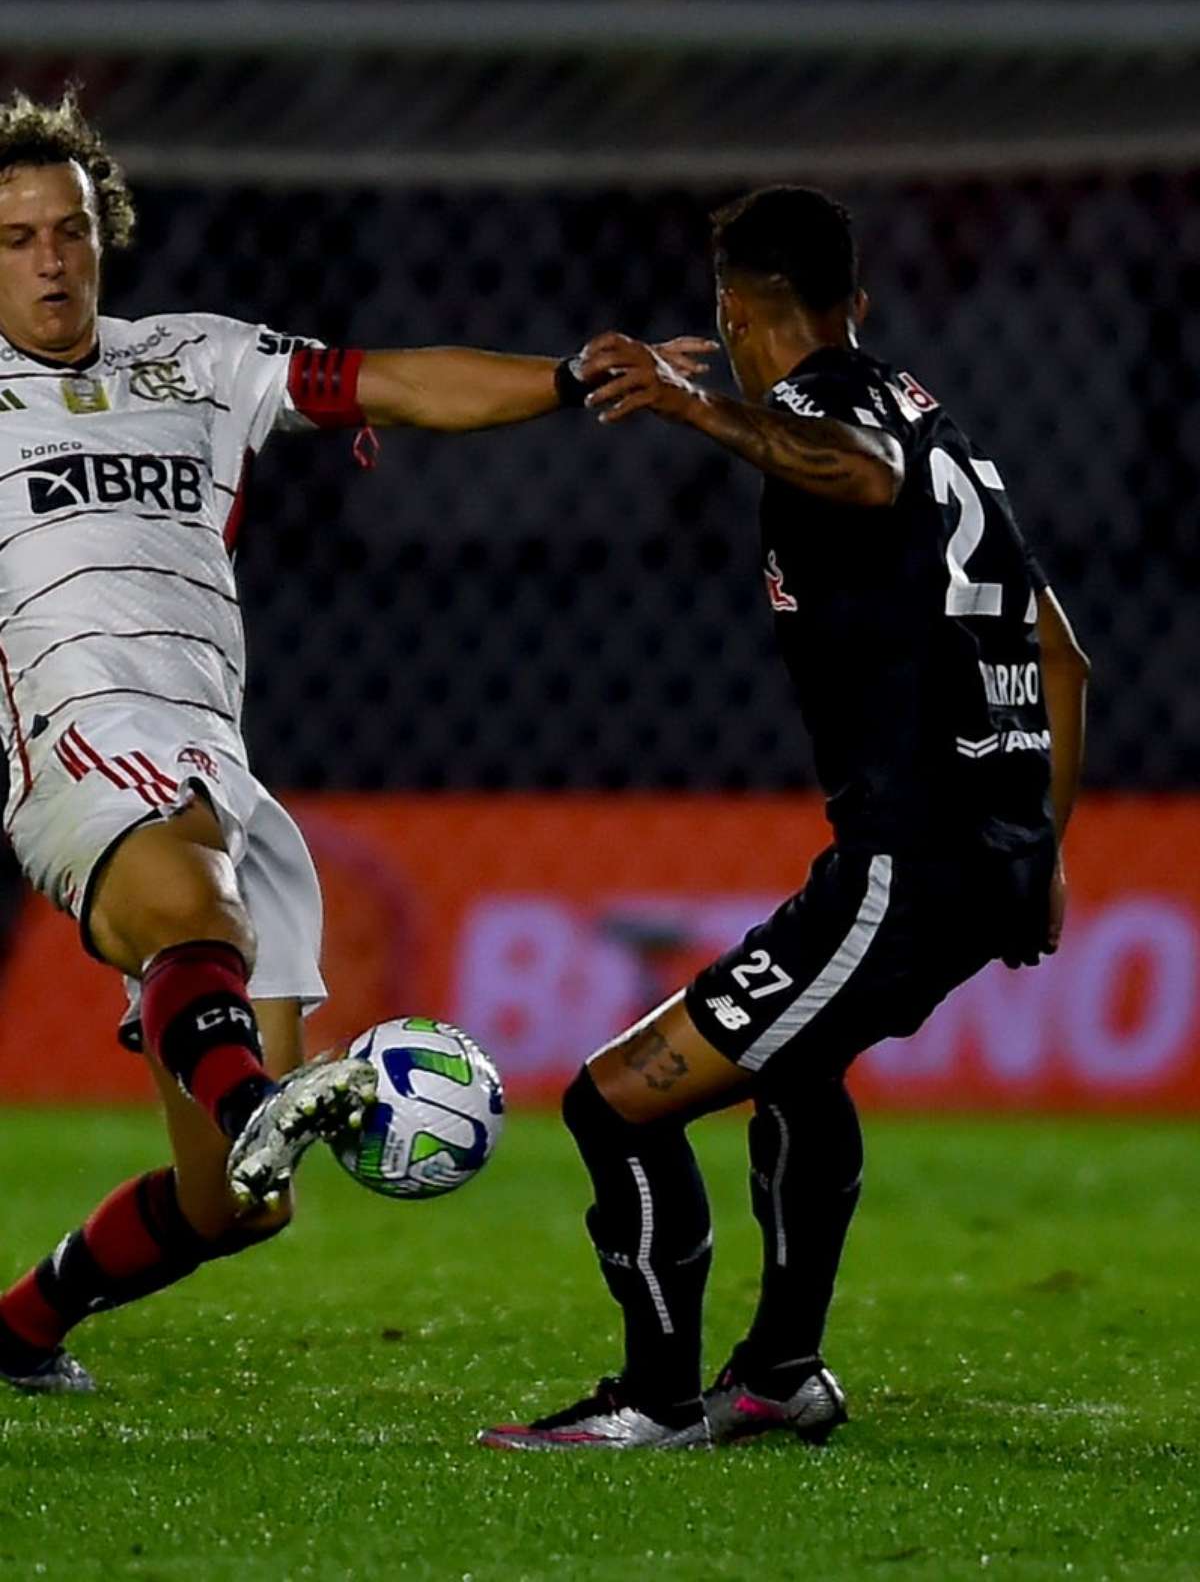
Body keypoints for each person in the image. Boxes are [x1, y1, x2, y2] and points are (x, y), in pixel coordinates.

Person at [0, 88, 710, 1395]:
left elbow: (394, 380)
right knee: (188, 903)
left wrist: (569, 378)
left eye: (71, 230)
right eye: (17, 237)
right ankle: (253, 1099)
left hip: (219, 764)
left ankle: (16, 1330)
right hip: (81, 741)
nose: (51, 259)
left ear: (105, 236)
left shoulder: (197, 361)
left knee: (236, 1207)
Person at [480, 185, 1089, 1451]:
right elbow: (1065, 656)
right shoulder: (941, 426)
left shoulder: (827, 412)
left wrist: (701, 406)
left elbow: (852, 475)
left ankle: (652, 1401)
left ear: (738, 311)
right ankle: (780, 1376)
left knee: (614, 1104)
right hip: (978, 850)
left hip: (905, 865)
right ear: (851, 301)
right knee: (797, 1072)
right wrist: (1042, 850)